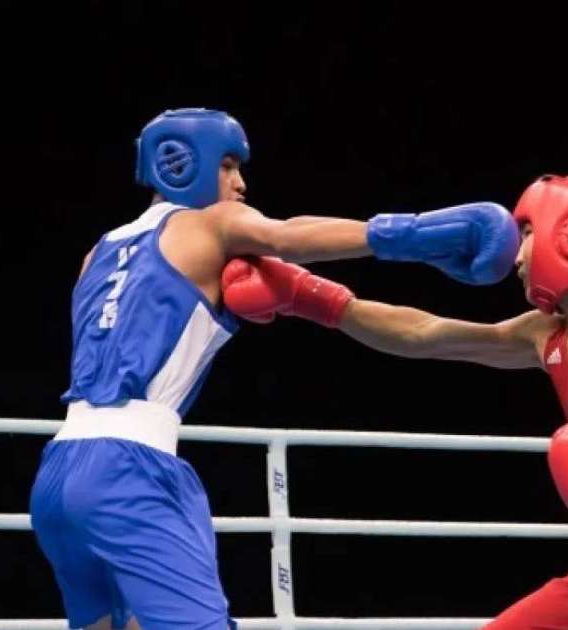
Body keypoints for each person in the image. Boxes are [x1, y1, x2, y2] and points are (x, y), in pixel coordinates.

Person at [27, 107, 521, 630]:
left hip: (58, 473)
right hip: (130, 471)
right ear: (184, 165)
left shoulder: (98, 251)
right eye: (229, 166)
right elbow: (289, 235)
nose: (240, 184)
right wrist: (415, 236)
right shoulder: (212, 223)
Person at [221, 168, 568, 628]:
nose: (516, 254)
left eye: (526, 233)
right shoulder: (547, 334)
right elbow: (427, 334)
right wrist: (312, 298)